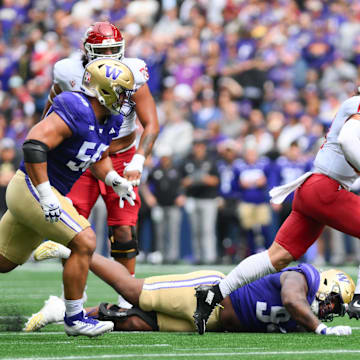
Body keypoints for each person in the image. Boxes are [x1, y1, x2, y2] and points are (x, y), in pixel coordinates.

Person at [193, 88, 360, 334]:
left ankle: (215, 293)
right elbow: (347, 139)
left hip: (313, 188)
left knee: (276, 257)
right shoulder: (356, 105)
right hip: (325, 188)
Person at [0, 58, 138, 337]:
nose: (125, 99)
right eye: (121, 92)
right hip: (32, 186)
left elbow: (95, 156)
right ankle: (75, 318)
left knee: (4, 261)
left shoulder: (110, 119)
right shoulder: (75, 107)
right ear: (105, 90)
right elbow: (34, 145)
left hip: (38, 191)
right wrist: (46, 195)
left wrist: (114, 180)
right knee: (85, 240)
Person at [38, 21, 159, 308]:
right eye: (102, 51)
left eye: (113, 50)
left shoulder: (134, 72)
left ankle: (126, 296)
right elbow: (51, 108)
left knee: (124, 229)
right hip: (82, 156)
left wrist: (139, 159)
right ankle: (75, 296)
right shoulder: (68, 72)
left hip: (121, 155)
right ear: (87, 51)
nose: (108, 56)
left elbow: (151, 121)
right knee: (72, 229)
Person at [24, 243, 354, 336]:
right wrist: (321, 329)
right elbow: (291, 300)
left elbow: (302, 313)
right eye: (334, 302)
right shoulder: (305, 276)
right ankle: (75, 251)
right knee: (133, 290)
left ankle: (59, 312)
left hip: (213, 323)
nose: (330, 309)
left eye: (335, 309)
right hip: (208, 294)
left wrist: (348, 306)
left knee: (132, 321)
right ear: (326, 285)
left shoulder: (307, 313)